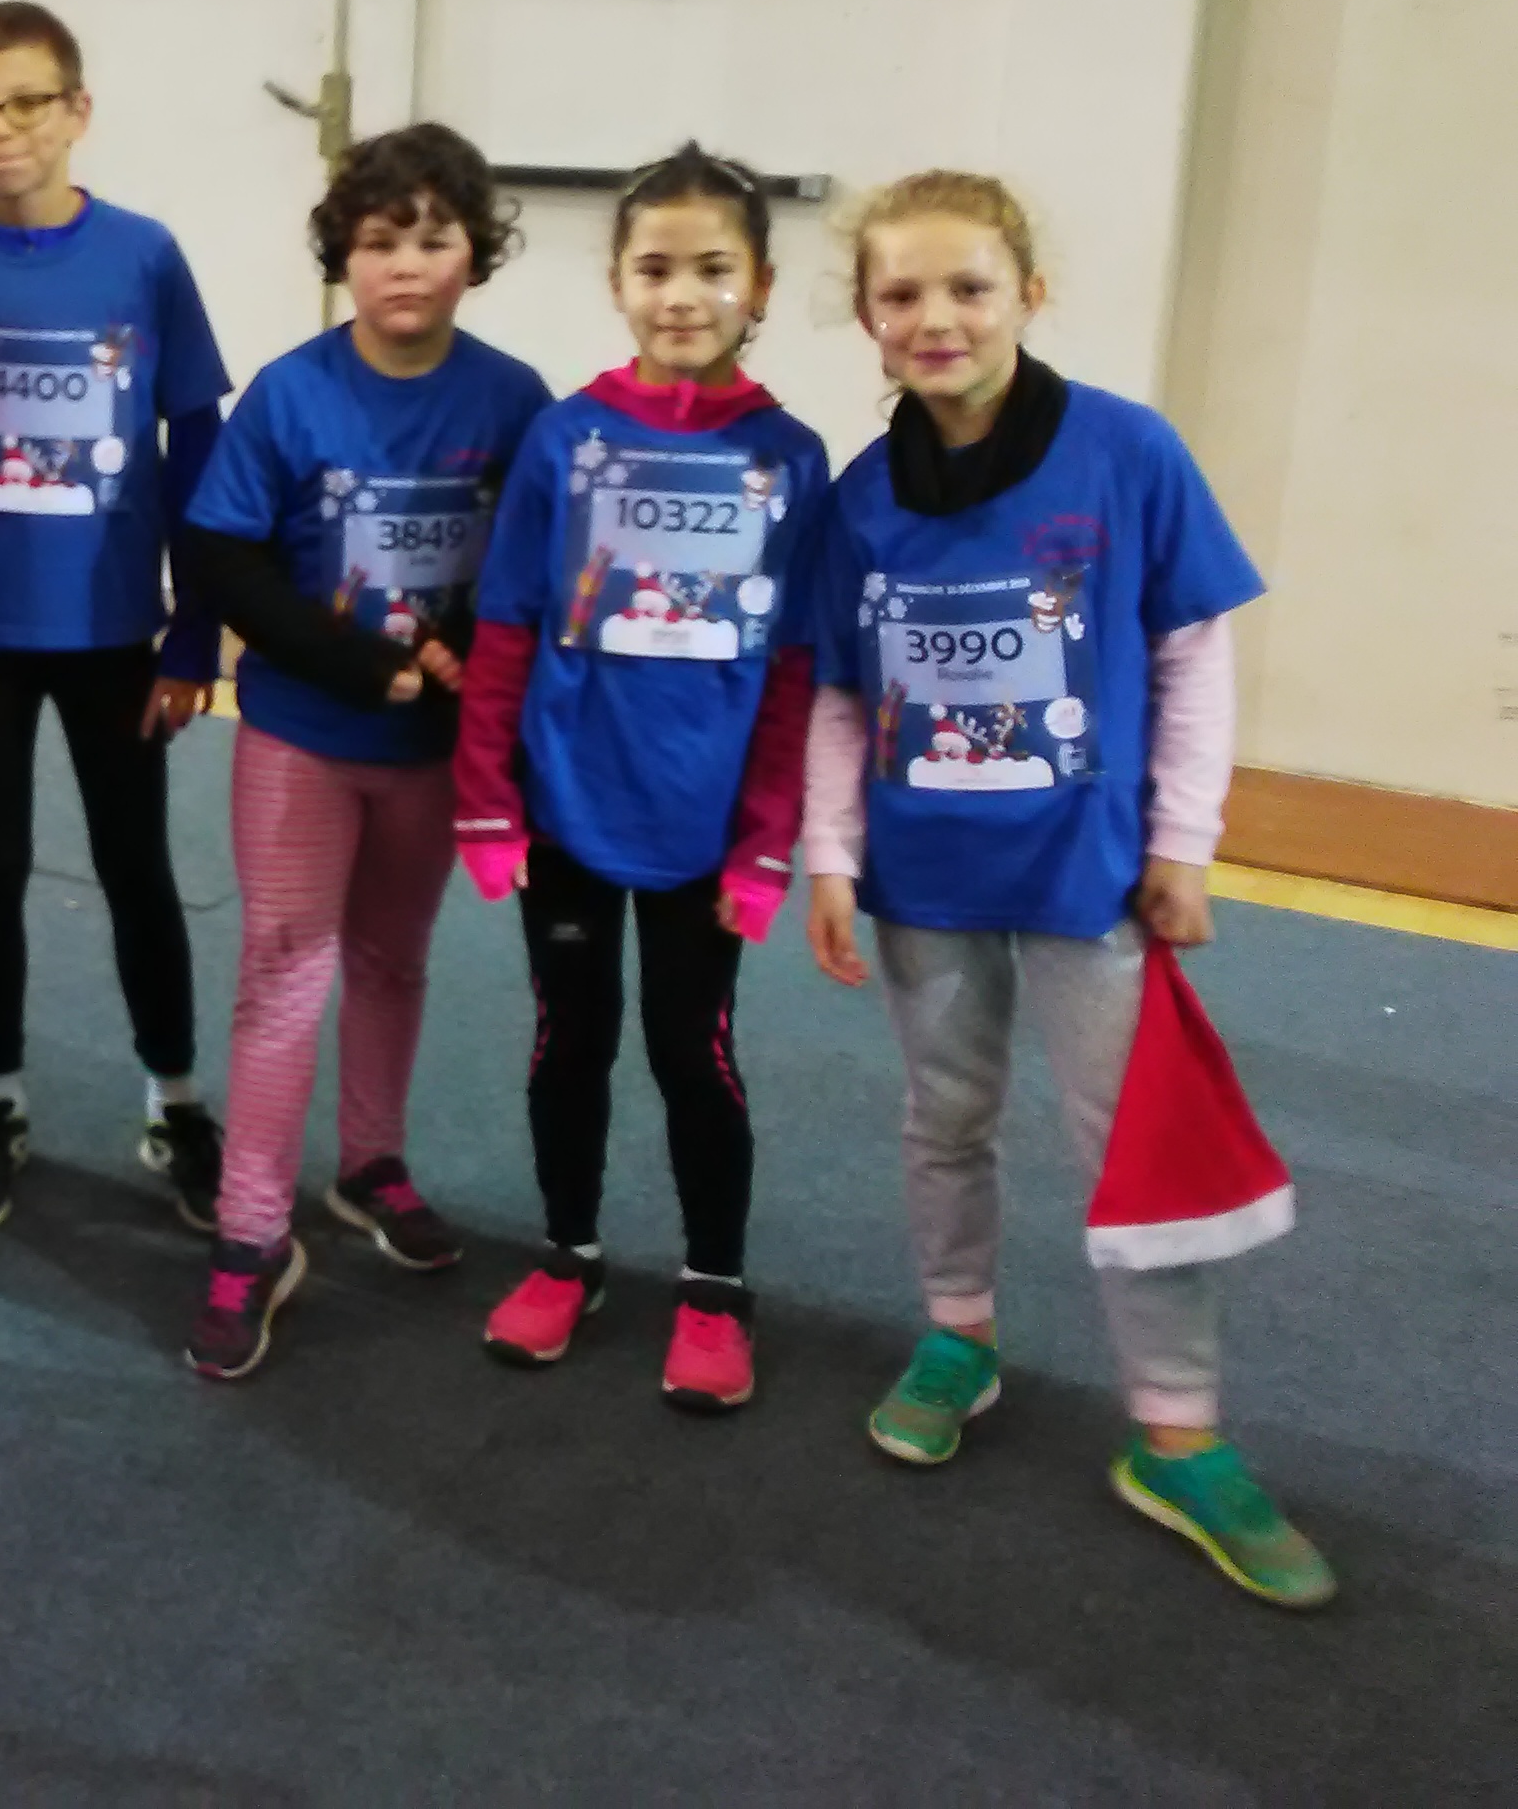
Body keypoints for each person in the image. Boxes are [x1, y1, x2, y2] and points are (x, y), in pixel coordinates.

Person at [801, 171, 1334, 1609]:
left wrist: (1184, 840)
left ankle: (1176, 1429)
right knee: (947, 1115)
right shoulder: (861, 501)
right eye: (901, 294)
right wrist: (833, 856)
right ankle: (960, 1332)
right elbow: (844, 698)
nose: (935, 319)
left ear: (1029, 294)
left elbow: (1190, 655)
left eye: (968, 287)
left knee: (1134, 1145)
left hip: (1091, 877)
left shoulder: (1127, 453)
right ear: (865, 314)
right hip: (926, 881)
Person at [449, 145, 825, 1414]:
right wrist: (488, 799)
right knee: (570, 1040)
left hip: (704, 832)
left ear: (759, 283)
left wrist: (769, 842)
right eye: (655, 268)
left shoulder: (791, 459)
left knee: (690, 1052)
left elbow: (793, 673)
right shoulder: (567, 438)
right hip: (564, 810)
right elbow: (505, 627)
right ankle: (570, 1255)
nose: (682, 295)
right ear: (616, 281)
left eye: (712, 269)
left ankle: (715, 1286)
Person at [172, 127, 549, 1378]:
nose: (405, 264)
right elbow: (220, 555)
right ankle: (250, 1232)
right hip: (303, 734)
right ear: (346, 254)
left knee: (395, 958)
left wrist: (447, 648)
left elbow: (530, 561)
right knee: (285, 969)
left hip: (436, 748)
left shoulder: (511, 400)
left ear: (472, 258)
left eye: (434, 239)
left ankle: (372, 1163)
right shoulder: (292, 393)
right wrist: (358, 662)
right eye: (382, 240)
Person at [0, 2, 232, 1234]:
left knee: (139, 870)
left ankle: (177, 1101)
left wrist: (194, 631)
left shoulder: (142, 258)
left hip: (113, 633)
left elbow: (198, 441)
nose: (1, 126)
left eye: (27, 100)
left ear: (78, 112)